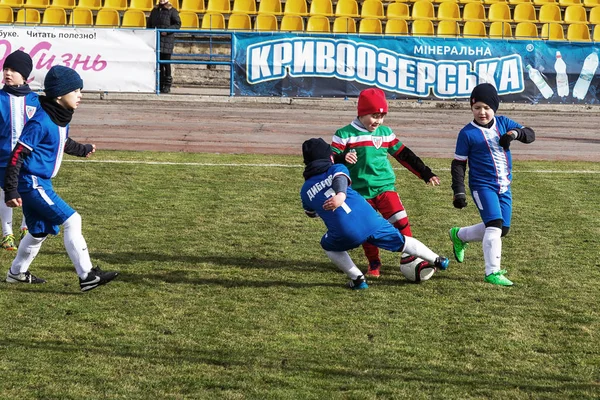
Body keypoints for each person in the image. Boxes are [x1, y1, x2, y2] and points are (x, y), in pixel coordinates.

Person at [3, 65, 118, 292]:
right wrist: (11, 189)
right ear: (59, 95)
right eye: (75, 91)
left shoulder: (59, 118)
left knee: (38, 232)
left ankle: (16, 273)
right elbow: (18, 154)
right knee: (72, 220)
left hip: (41, 182)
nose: (80, 95)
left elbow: (61, 141)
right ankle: (87, 276)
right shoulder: (41, 121)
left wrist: (83, 149)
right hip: (32, 182)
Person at [300, 138, 449, 290]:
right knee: (404, 242)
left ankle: (357, 279)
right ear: (329, 157)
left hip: (345, 232)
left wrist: (324, 204)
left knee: (328, 246)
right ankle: (438, 259)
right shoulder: (337, 168)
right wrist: (341, 195)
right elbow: (340, 178)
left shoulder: (305, 190)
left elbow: (311, 213)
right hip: (371, 221)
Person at [331, 88, 441, 278]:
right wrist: (342, 157)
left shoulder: (385, 133)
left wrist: (425, 172)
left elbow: (404, 155)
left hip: (384, 188)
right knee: (368, 231)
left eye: (382, 116)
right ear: (361, 112)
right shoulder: (344, 134)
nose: (378, 121)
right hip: (359, 193)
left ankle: (412, 256)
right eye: (374, 115)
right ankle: (374, 263)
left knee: (401, 220)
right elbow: (330, 158)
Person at [449, 83, 535, 286]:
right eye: (477, 107)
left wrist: (513, 135)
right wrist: (458, 191)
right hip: (482, 186)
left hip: (504, 186)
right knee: (494, 226)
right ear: (471, 108)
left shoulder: (504, 123)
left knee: (502, 229)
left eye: (487, 107)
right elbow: (458, 164)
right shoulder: (467, 133)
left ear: (494, 108)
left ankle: (459, 235)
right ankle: (492, 272)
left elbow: (530, 134)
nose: (482, 112)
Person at [0, 50, 38, 251]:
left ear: (24, 76)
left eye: (13, 70)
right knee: (5, 194)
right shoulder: (0, 98)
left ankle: (26, 227)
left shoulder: (35, 101)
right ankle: (7, 234)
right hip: (3, 159)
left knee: (28, 193)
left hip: (28, 159)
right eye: (6, 68)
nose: (7, 73)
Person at [147, 0, 181, 94]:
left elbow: (177, 24)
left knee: (166, 63)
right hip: (156, 40)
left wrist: (167, 31)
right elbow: (149, 24)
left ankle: (167, 84)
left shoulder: (172, 11)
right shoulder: (154, 10)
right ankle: (160, 84)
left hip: (167, 40)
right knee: (159, 64)